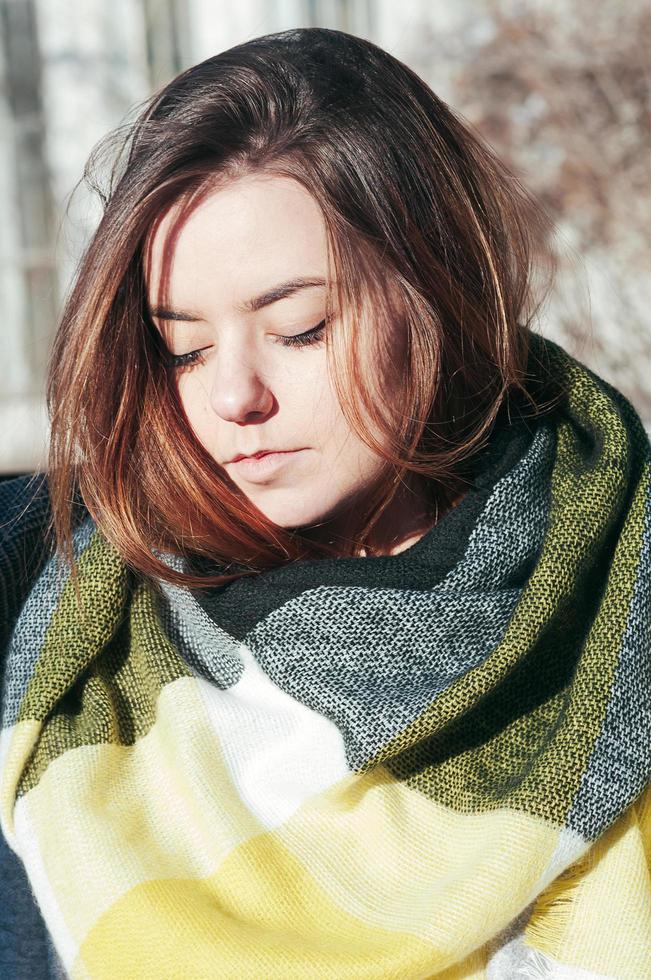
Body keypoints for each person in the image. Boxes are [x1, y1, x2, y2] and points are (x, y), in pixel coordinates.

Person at [1, 26, 649, 979]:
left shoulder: (618, 582)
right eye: (184, 347)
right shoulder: (66, 613)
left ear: (434, 283)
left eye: (298, 329)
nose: (233, 399)